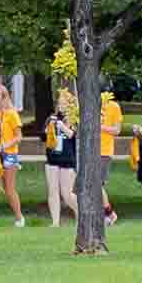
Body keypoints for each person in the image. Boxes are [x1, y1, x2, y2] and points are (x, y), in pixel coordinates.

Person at [0, 83, 27, 228]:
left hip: (8, 153)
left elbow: (19, 137)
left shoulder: (11, 113)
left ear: (4, 96)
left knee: (9, 188)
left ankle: (19, 217)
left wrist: (3, 146)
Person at [43, 91, 81, 226]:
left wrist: (63, 127)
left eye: (64, 103)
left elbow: (74, 136)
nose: (61, 105)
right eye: (59, 103)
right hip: (52, 158)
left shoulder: (74, 119)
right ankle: (55, 222)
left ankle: (81, 213)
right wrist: (47, 131)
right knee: (53, 191)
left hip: (67, 160)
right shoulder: (51, 118)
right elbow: (43, 137)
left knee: (66, 193)